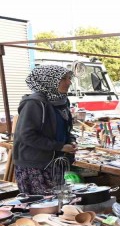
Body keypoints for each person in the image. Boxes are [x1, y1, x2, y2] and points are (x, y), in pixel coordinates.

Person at [12, 65, 77, 195]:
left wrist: (71, 140)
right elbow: (27, 136)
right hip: (34, 165)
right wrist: (59, 146)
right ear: (48, 81)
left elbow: (65, 129)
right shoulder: (34, 103)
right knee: (43, 207)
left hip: (54, 163)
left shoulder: (62, 101)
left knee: (58, 206)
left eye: (69, 78)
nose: (69, 82)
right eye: (63, 79)